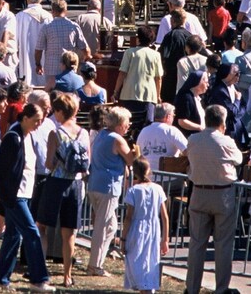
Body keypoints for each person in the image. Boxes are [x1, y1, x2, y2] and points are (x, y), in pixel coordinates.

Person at [0, 103, 56, 292]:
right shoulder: (14, 138)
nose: (38, 124)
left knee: (12, 236)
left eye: (41, 120)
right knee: (32, 233)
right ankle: (39, 280)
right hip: (14, 195)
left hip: (23, 193)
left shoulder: (26, 135)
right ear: (25, 118)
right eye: (36, 120)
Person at [185, 105, 243, 294]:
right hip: (222, 194)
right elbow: (239, 160)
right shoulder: (226, 141)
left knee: (196, 244)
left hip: (199, 193)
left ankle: (192, 288)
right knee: (223, 244)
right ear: (223, 122)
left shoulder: (193, 139)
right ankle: (221, 288)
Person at [36, 93, 90, 287]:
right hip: (75, 185)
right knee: (69, 232)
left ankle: (40, 271)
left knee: (42, 226)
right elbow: (87, 164)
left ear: (59, 111)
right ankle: (67, 274)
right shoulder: (83, 133)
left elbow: (49, 164)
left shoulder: (55, 133)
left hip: (56, 183)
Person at [86, 106, 141, 278]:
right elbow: (132, 161)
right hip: (108, 187)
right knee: (103, 227)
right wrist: (137, 152)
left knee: (111, 226)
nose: (128, 125)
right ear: (119, 124)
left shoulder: (102, 134)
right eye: (127, 122)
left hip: (96, 185)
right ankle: (94, 265)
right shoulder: (117, 139)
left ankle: (98, 262)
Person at [121, 157, 169, 294]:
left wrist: (123, 238)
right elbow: (164, 216)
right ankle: (148, 287)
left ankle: (144, 287)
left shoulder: (133, 190)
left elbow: (129, 217)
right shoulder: (158, 189)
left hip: (137, 228)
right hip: (154, 228)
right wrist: (165, 238)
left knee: (137, 259)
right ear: (148, 170)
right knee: (150, 258)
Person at [113, 25, 163, 132]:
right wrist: (158, 95)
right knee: (147, 126)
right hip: (149, 95)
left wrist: (116, 91)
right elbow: (158, 78)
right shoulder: (156, 55)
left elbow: (122, 74)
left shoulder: (129, 52)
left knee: (128, 124)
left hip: (129, 93)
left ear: (138, 38)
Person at [136, 103, 188, 171]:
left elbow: (137, 153)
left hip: (147, 176)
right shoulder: (172, 131)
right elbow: (189, 151)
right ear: (168, 117)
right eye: (173, 115)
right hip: (169, 178)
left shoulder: (144, 131)